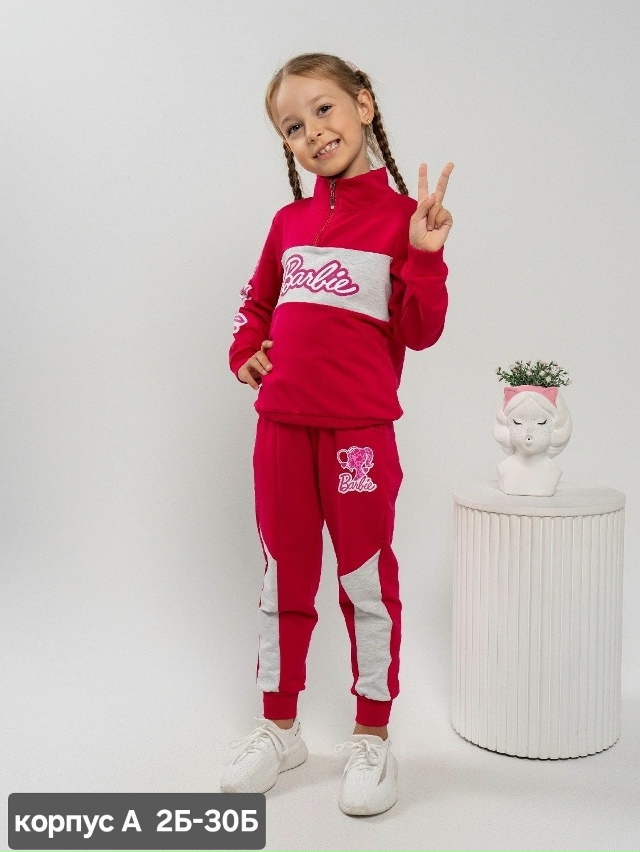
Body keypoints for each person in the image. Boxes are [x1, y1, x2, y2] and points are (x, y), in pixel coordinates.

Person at [221, 52, 453, 816]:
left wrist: (426, 255)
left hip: (359, 436)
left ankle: (372, 734)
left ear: (364, 104)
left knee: (364, 584)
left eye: (324, 109)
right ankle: (279, 728)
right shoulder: (287, 224)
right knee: (282, 579)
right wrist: (245, 353)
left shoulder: (401, 220)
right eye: (293, 126)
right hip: (280, 431)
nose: (313, 132)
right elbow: (256, 308)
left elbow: (419, 331)